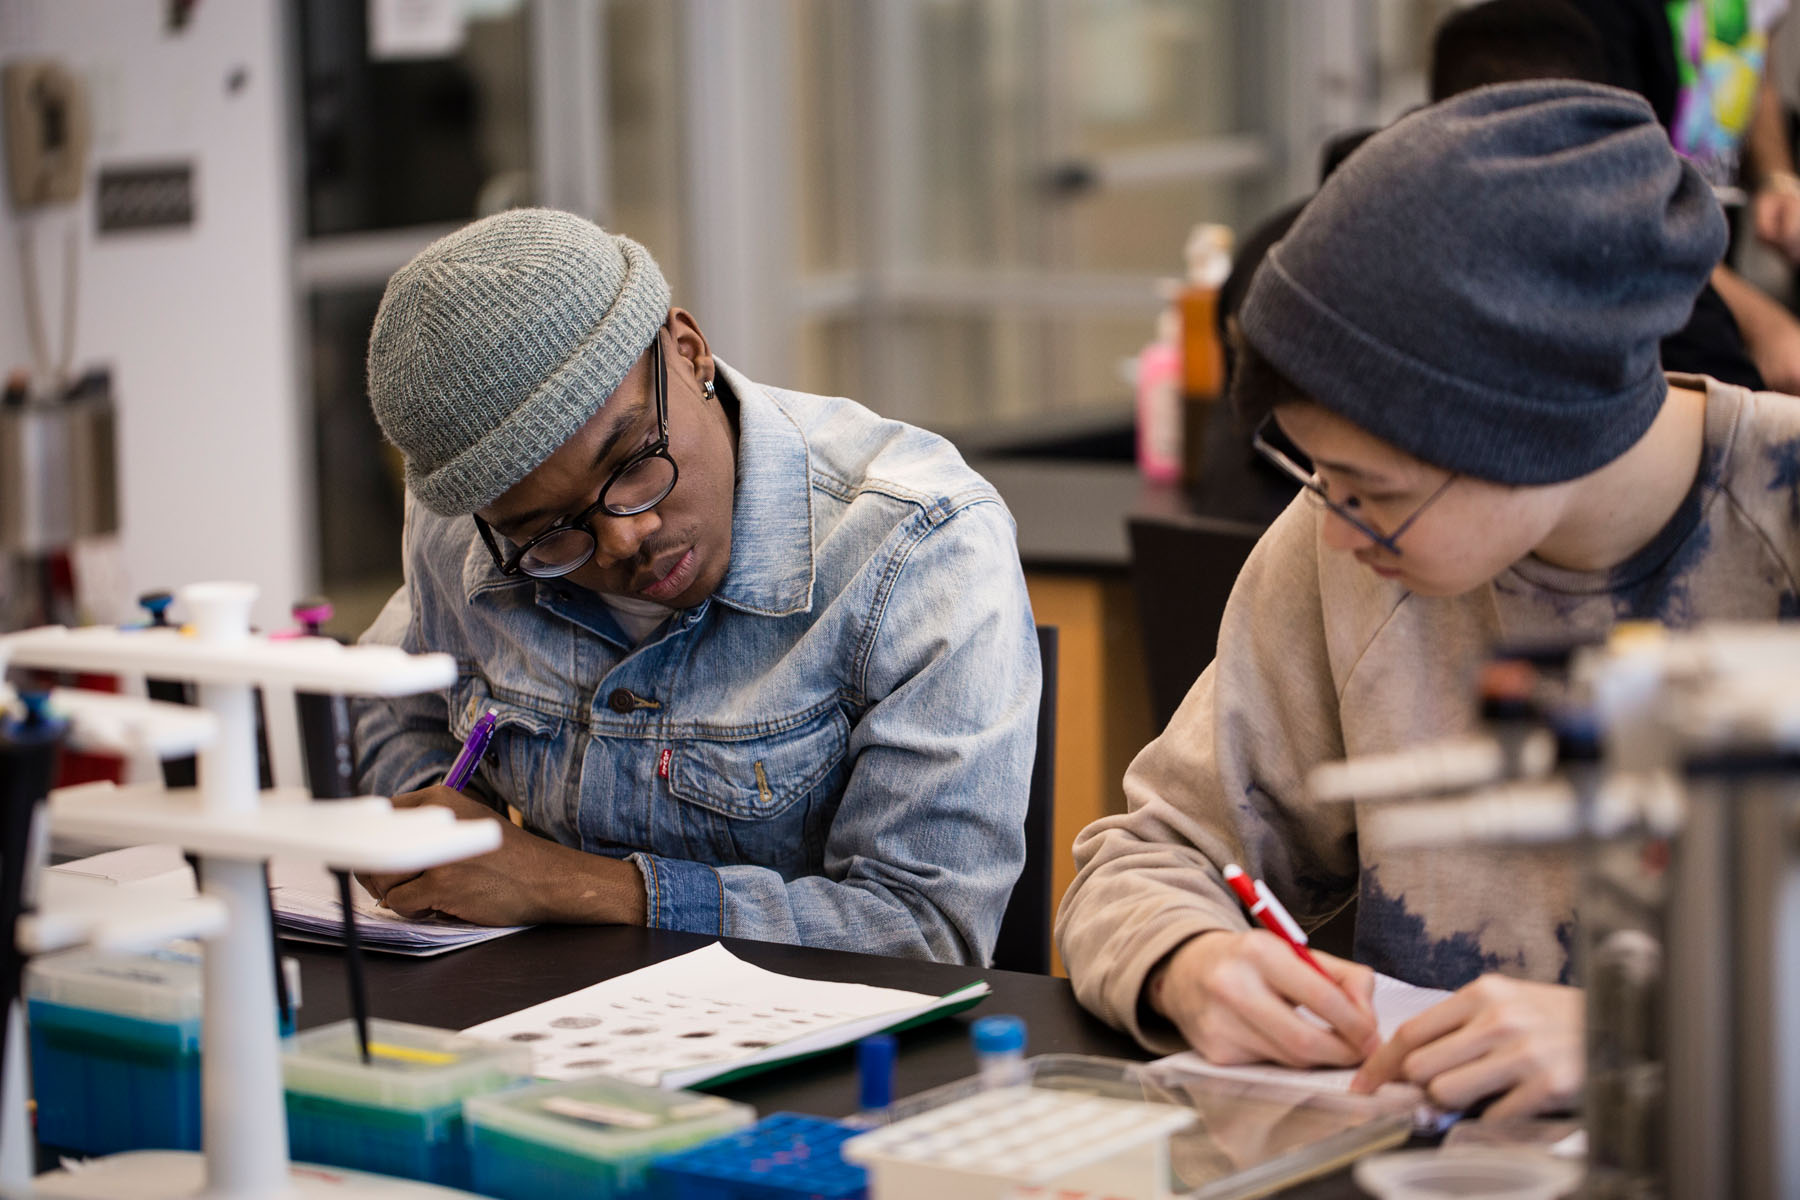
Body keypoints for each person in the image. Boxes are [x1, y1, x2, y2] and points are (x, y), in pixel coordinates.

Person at [1058, 80, 1800, 1119]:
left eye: (1377, 494)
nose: (1340, 525)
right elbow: (1144, 858)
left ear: (1533, 426)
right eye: (1320, 478)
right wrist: (1187, 961)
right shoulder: (1338, 546)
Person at [351, 208, 1040, 965]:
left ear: (689, 351)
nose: (623, 538)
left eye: (634, 462)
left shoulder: (918, 545)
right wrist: (440, 834)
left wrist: (582, 888)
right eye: (552, 532)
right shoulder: (470, 535)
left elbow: (923, 930)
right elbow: (390, 704)